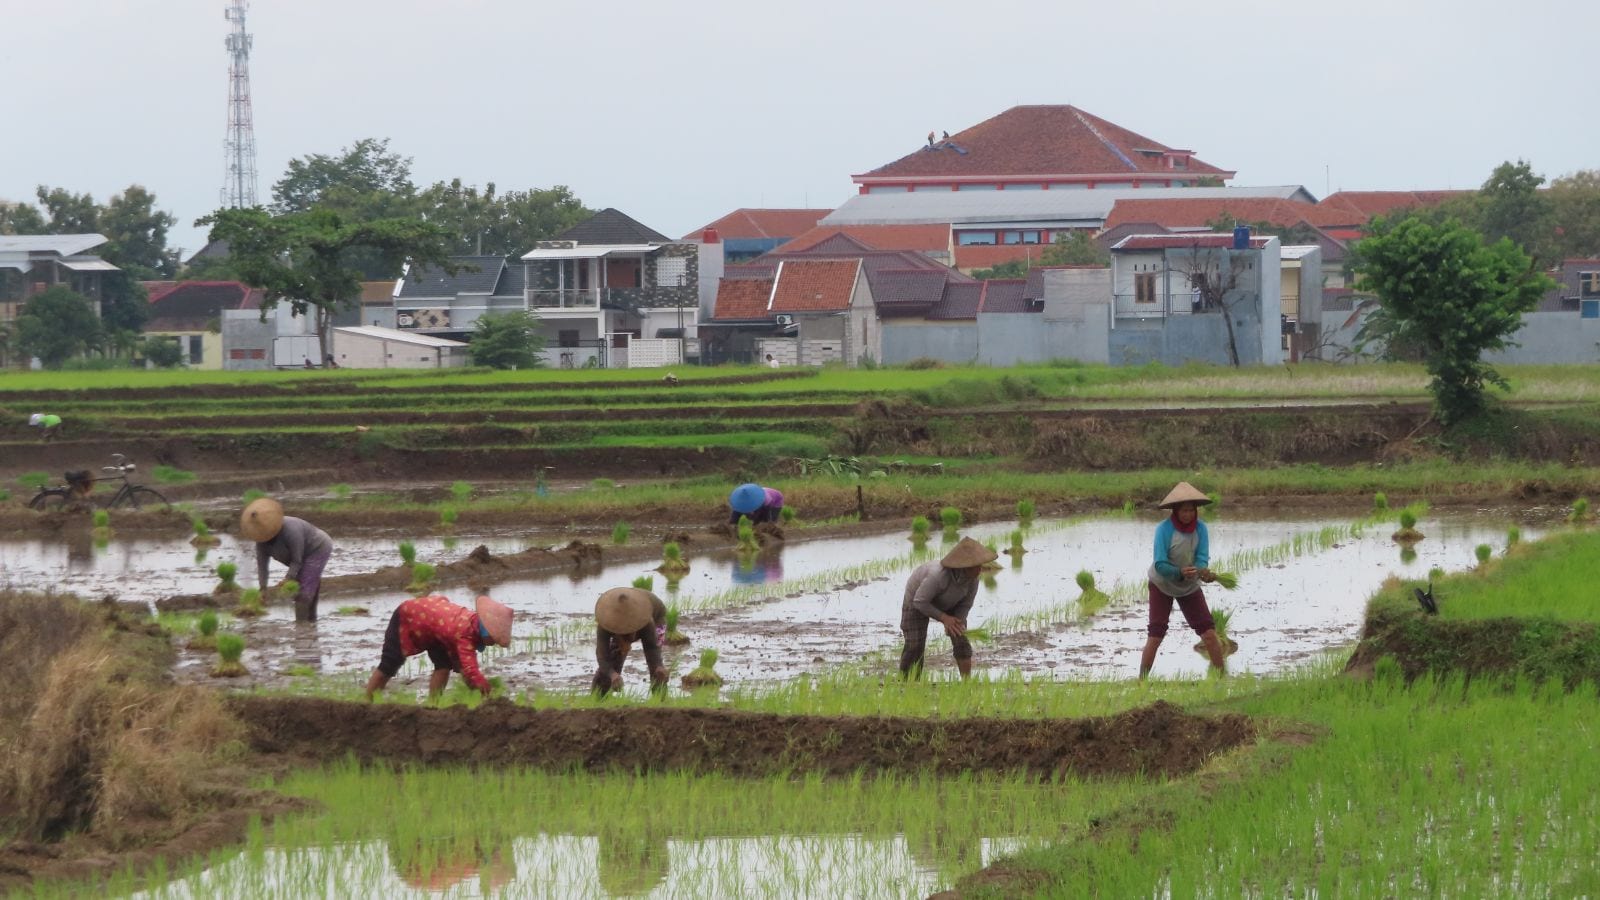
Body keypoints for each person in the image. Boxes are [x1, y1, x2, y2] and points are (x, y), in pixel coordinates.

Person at [1142, 481, 1228, 679]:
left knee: (1208, 632)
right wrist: (1179, 572)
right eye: (1183, 511)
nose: (1188, 514)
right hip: (1161, 584)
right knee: (1156, 634)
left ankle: (1222, 680)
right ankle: (1141, 681)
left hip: (1189, 585)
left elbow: (1202, 557)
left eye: (1191, 510)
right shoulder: (1163, 530)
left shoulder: (1201, 529)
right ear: (1175, 511)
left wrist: (1201, 571)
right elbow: (1160, 564)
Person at [364, 593, 514, 700]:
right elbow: (470, 670)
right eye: (493, 639)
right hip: (408, 616)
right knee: (389, 664)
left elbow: (465, 669)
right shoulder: (465, 633)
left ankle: (432, 706)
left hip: (437, 630)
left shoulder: (471, 622)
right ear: (486, 632)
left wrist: (478, 689)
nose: (493, 643)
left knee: (443, 666)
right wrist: (487, 692)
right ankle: (366, 705)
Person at [899, 536, 996, 679]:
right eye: (977, 566)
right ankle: (907, 683)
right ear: (965, 566)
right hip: (917, 600)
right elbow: (920, 602)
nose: (980, 569)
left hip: (951, 603)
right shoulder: (937, 576)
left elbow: (965, 604)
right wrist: (944, 618)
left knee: (961, 639)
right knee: (915, 645)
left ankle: (966, 682)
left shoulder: (973, 580)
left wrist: (958, 621)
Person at [241, 498, 334, 622]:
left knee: (304, 591)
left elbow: (297, 560)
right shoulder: (261, 541)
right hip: (299, 557)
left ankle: (301, 626)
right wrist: (262, 589)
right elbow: (262, 566)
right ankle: (311, 620)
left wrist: (287, 578)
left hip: (317, 548)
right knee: (308, 582)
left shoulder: (291, 531)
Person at [592, 587, 668, 696]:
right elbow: (602, 656)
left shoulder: (646, 621)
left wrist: (659, 665)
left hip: (656, 618)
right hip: (623, 627)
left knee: (656, 668)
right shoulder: (605, 623)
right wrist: (613, 674)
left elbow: (652, 648)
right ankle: (598, 698)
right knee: (614, 658)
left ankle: (660, 699)